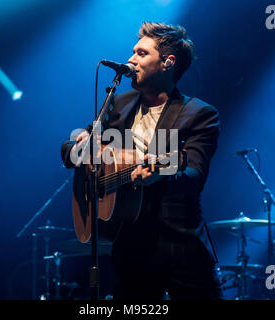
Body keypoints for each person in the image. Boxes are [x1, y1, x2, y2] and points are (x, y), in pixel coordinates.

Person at [61, 22, 222, 300]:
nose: (131, 59)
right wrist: (79, 147)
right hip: (129, 245)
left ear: (167, 63)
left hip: (178, 243)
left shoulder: (198, 114)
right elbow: (69, 151)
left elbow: (194, 173)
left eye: (141, 53)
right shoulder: (121, 104)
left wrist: (161, 174)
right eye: (133, 52)